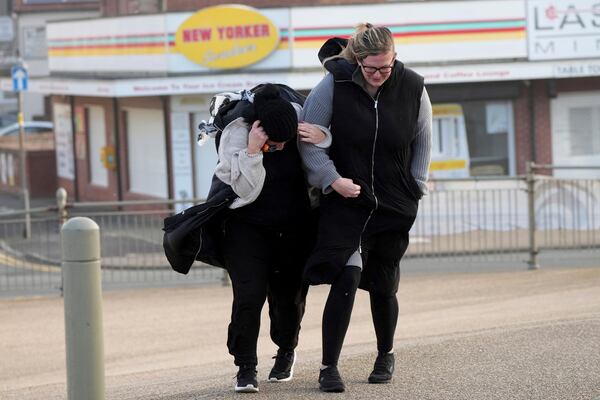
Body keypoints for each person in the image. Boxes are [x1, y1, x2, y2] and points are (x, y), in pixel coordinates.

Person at [298, 23, 432, 392]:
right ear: (357, 59)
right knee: (347, 274)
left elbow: (422, 140)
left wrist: (415, 186)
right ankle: (329, 367)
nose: (378, 76)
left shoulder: (413, 88)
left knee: (384, 283)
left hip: (394, 203)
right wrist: (332, 179)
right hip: (347, 201)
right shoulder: (331, 88)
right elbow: (307, 140)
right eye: (371, 68)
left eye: (385, 68)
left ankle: (385, 354)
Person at [214, 83, 329, 393]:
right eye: (273, 145)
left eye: (283, 144)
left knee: (289, 300)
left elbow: (330, 149)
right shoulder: (236, 134)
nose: (278, 149)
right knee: (248, 297)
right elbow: (244, 189)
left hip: (294, 225)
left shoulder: (299, 122)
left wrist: (324, 136)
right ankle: (246, 367)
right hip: (246, 226)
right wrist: (254, 151)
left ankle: (286, 351)